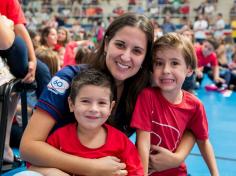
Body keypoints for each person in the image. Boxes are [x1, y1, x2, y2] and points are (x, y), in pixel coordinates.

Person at [20, 13, 195, 176]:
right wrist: (91, 167)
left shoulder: (144, 91)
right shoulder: (70, 79)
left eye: (137, 51)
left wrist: (178, 157)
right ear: (106, 44)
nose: (126, 57)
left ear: (145, 58)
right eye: (120, 45)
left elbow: (193, 119)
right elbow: (28, 147)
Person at [25, 68, 144, 175]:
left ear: (111, 108)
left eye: (101, 103)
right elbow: (32, 165)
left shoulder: (121, 143)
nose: (93, 109)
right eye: (85, 101)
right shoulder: (60, 138)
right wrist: (53, 172)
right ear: (71, 104)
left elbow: (136, 172)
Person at [131, 33, 219, 176]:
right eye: (159, 63)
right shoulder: (147, 97)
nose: (166, 70)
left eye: (175, 63)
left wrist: (215, 174)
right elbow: (143, 142)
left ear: (189, 69)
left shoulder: (195, 105)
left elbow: (203, 141)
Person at [0, 0, 51, 170]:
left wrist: (33, 60)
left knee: (41, 71)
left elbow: (20, 28)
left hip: (14, 51)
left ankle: (50, 130)